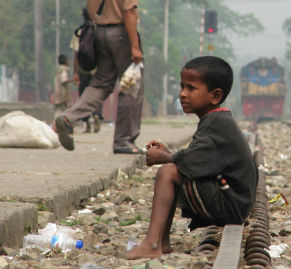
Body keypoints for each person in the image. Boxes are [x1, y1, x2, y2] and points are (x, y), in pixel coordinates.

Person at [126, 56, 258, 260]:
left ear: (215, 96)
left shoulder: (216, 123)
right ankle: (162, 242)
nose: (182, 94)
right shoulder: (217, 120)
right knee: (173, 167)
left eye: (191, 88)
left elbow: (191, 161)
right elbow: (199, 158)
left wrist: (164, 158)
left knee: (168, 172)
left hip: (231, 205)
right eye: (182, 87)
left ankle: (153, 242)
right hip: (234, 202)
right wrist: (170, 155)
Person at [55, 0, 145, 153]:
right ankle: (123, 140)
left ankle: (68, 118)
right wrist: (135, 47)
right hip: (121, 34)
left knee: (101, 83)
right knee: (131, 85)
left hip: (99, 33)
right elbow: (129, 12)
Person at [70, 7, 103, 133]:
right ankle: (96, 115)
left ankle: (87, 123)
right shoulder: (99, 31)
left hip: (83, 68)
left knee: (84, 96)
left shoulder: (78, 32)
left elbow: (76, 55)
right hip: (97, 69)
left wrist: (75, 72)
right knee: (97, 93)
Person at [53, 55, 73, 120]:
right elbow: (64, 81)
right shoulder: (64, 69)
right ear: (65, 61)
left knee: (59, 110)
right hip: (62, 94)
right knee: (63, 110)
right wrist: (73, 80)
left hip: (58, 93)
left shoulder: (59, 69)